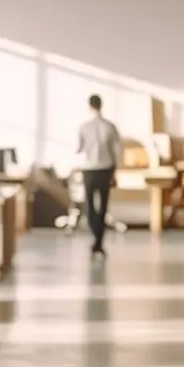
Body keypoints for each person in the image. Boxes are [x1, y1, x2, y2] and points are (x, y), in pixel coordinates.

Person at [77, 94, 122, 257]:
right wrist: (115, 173)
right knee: (103, 206)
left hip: (89, 169)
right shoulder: (110, 127)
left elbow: (78, 149)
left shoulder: (84, 127)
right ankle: (99, 241)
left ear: (90, 106)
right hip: (105, 169)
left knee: (89, 205)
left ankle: (96, 236)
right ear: (101, 105)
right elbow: (117, 152)